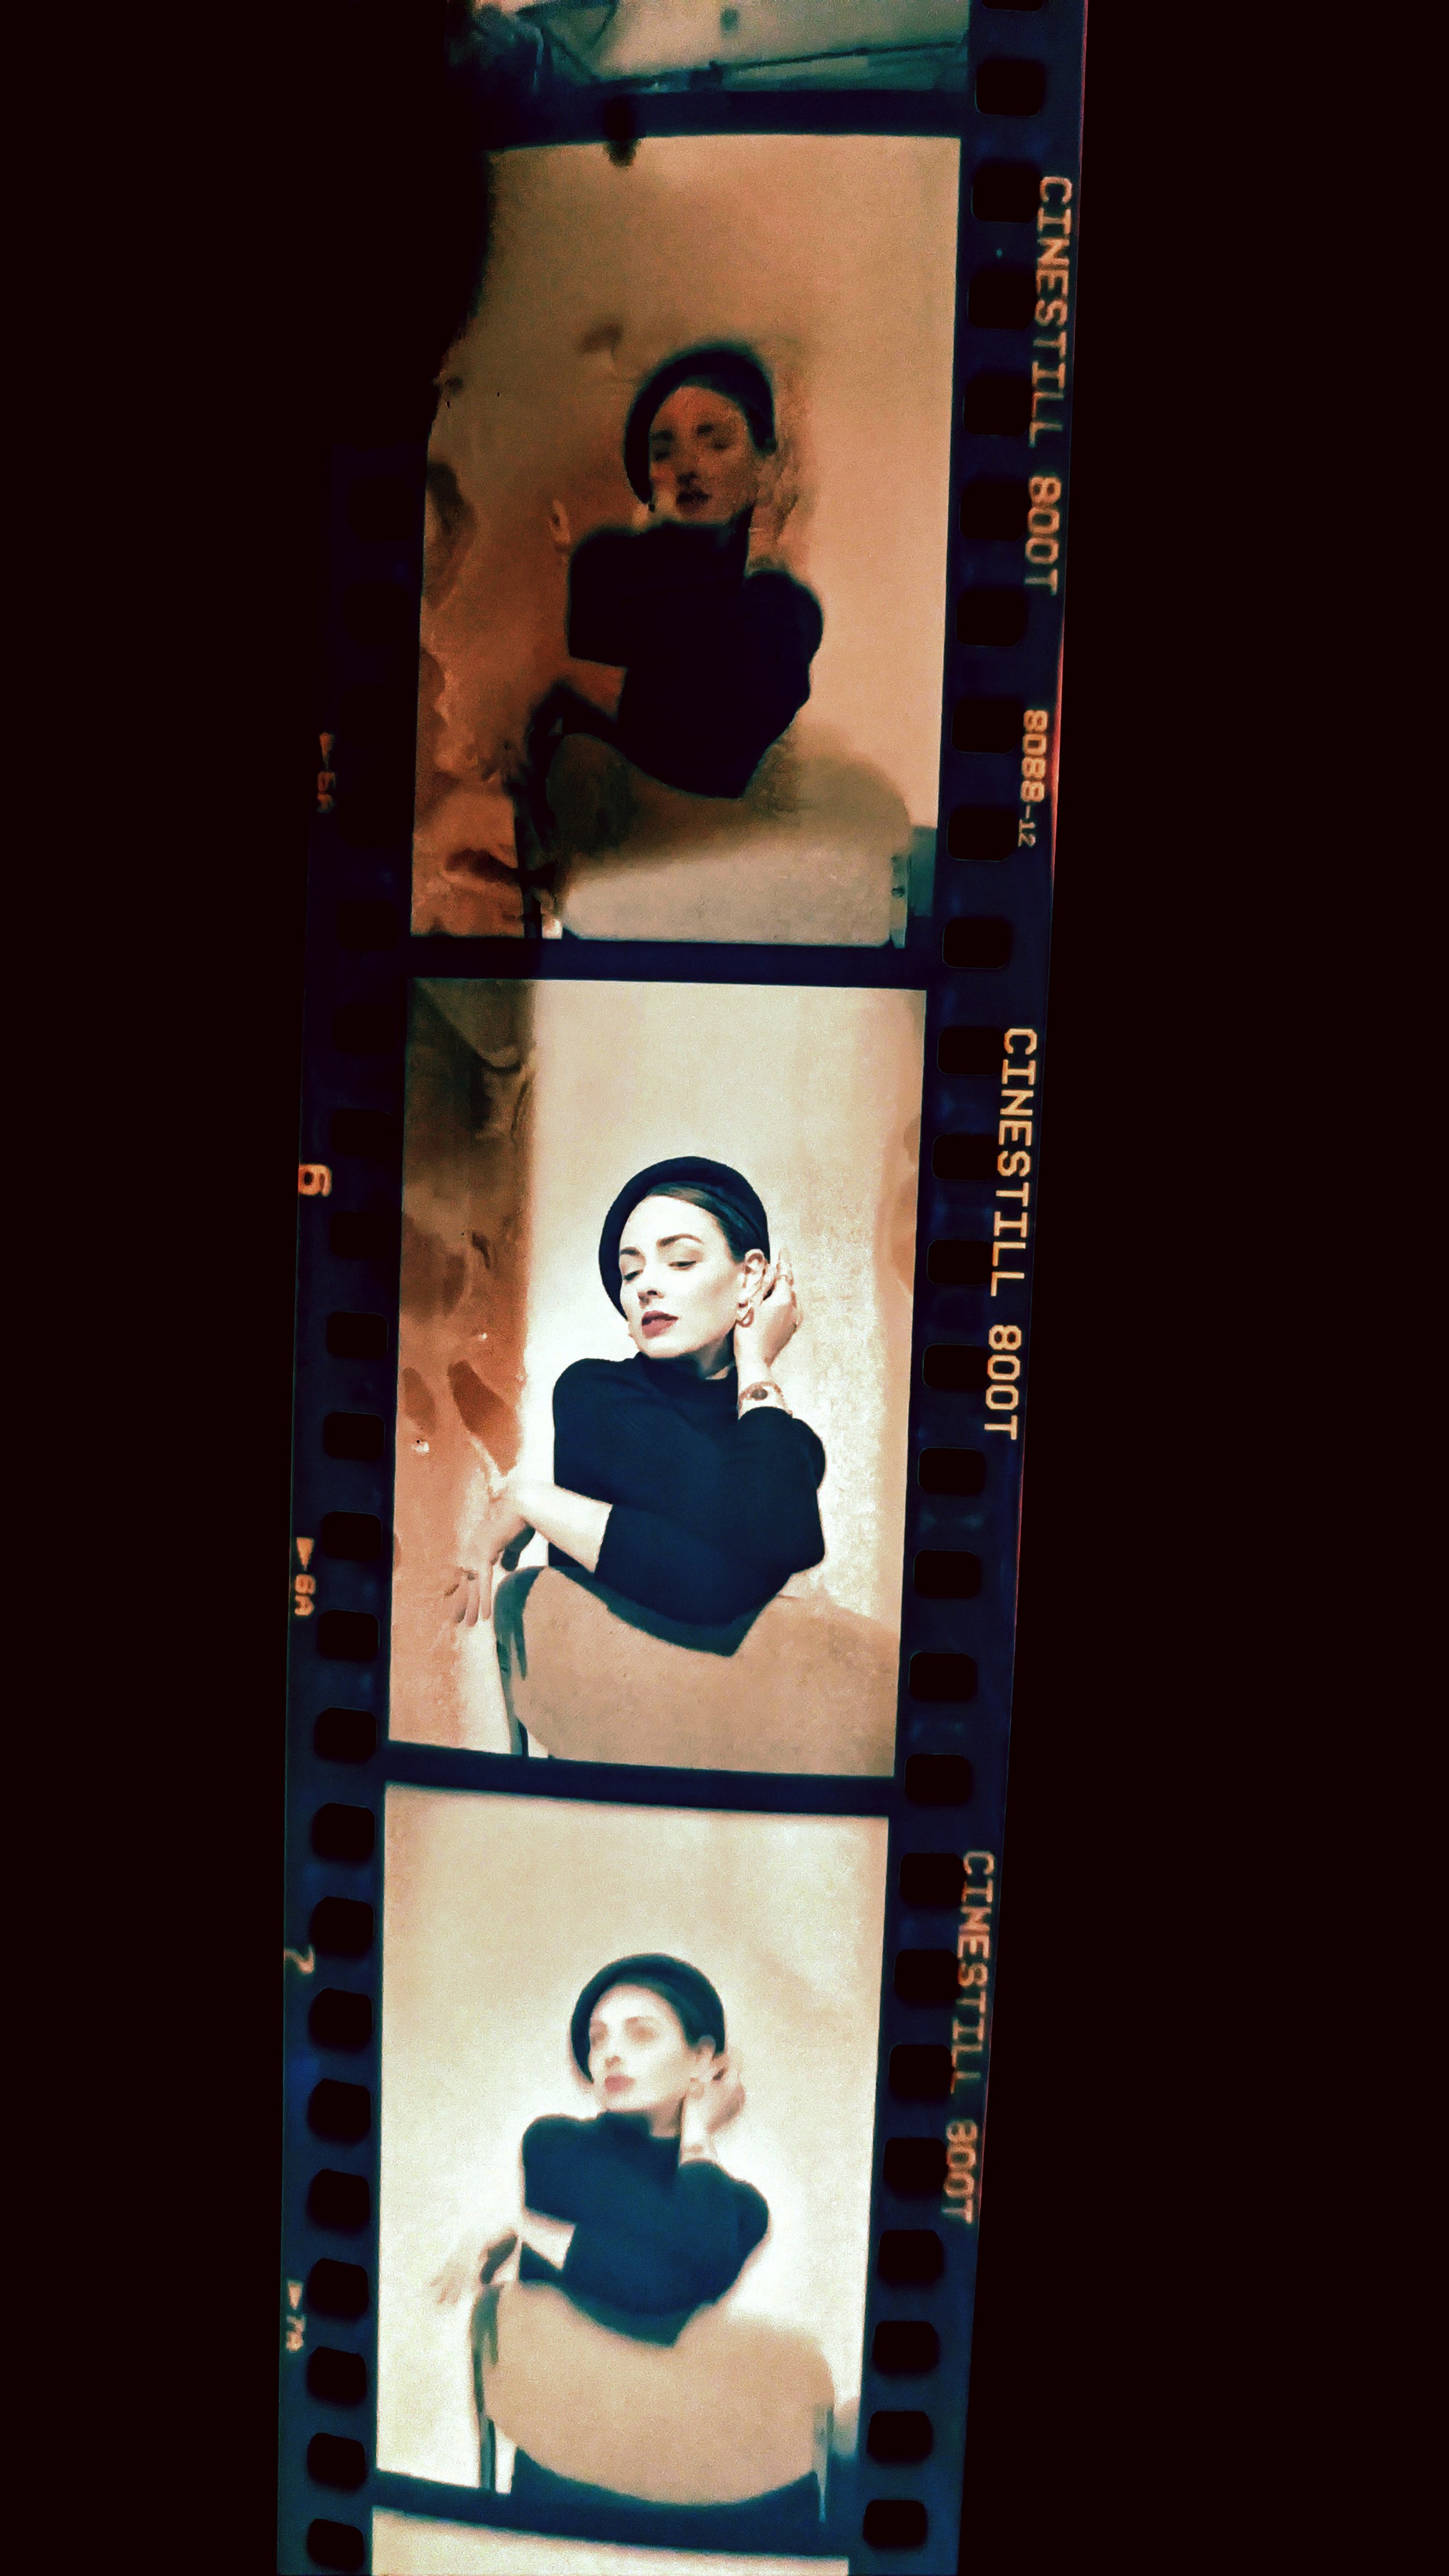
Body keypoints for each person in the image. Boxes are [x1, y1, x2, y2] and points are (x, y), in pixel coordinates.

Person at [432, 1956, 831, 2546]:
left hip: (729, 2517)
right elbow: (650, 2283)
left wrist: (528, 2226)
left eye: (640, 2032)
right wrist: (533, 2224)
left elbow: (664, 2285)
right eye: (598, 2038)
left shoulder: (740, 2205)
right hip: (564, 2499)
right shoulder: (554, 2145)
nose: (610, 2053)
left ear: (703, 2060)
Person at [449, 1155, 827, 1633]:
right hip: (592, 1698)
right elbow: (709, 1586)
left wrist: (755, 1362)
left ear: (750, 1277)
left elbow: (745, 1566)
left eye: (681, 1261)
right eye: (630, 1273)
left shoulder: (788, 1441)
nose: (646, 1285)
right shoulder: (593, 1395)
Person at [515, 344, 824, 889]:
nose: (687, 466)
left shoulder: (780, 604)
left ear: (765, 462)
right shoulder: (616, 566)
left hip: (695, 830)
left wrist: (764, 544)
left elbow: (741, 715)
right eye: (663, 450)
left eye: (718, 441)